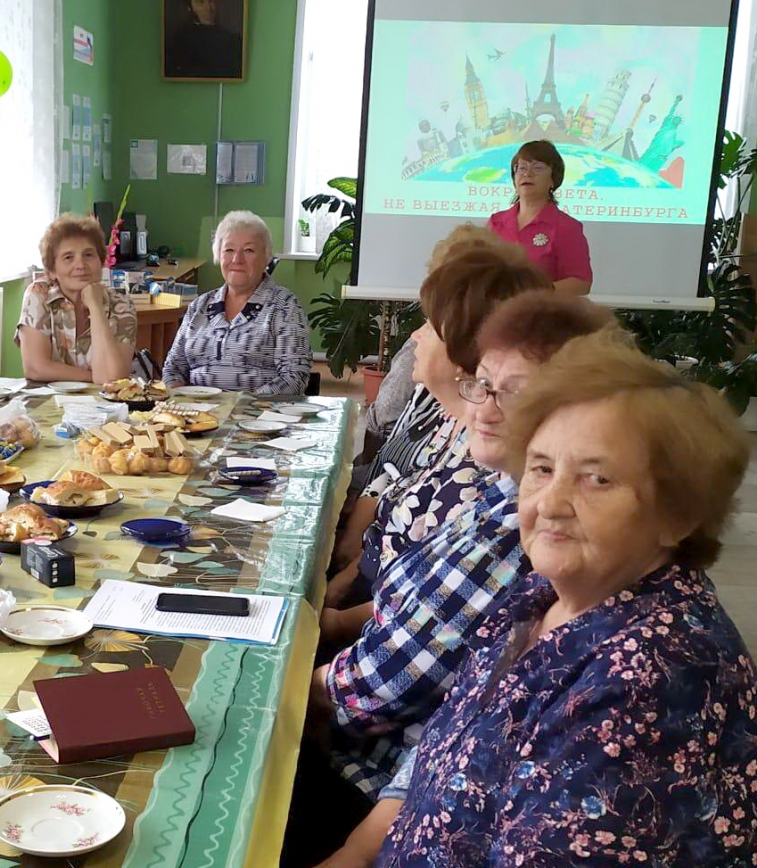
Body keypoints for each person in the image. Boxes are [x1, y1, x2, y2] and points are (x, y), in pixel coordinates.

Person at [375, 332, 757, 866]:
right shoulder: (546, 594)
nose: (551, 503)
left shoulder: (649, 681)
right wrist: (354, 849)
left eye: (598, 479)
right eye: (542, 467)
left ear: (679, 514)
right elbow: (445, 744)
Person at [309, 293, 616, 868]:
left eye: (597, 477)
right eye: (482, 383)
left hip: (365, 773)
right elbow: (450, 737)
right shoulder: (512, 514)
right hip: (387, 792)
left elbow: (385, 693)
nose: (485, 408)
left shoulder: (626, 652)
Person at [329, 248, 549, 589]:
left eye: (428, 326)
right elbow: (398, 484)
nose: (415, 336)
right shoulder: (451, 417)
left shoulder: (488, 447)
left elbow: (421, 589)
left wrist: (337, 603)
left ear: (463, 347)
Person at [163, 211, 311, 395]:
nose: (237, 259)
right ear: (218, 255)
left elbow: (294, 378)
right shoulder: (199, 306)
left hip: (257, 416)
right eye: (229, 250)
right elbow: (173, 368)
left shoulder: (284, 306)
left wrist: (240, 405)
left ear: (266, 257)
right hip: (196, 415)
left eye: (248, 250)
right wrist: (183, 402)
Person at [17, 214, 137, 385]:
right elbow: (35, 367)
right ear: (52, 270)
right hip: (50, 404)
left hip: (105, 407)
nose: (80, 265)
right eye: (68, 257)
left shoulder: (122, 305)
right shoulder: (39, 295)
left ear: (101, 262)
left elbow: (115, 379)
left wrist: (96, 307)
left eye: (88, 255)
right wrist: (92, 378)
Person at [488, 139, 592, 295]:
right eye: (521, 168)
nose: (527, 174)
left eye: (538, 168)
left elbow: (581, 283)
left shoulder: (566, 227)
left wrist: (533, 292)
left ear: (553, 179)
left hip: (543, 315)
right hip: (496, 315)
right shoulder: (496, 222)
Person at [165, 0, 243, 79]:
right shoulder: (177, 40)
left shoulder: (233, 39)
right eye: (200, 1)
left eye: (212, 0)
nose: (208, 8)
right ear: (190, 6)